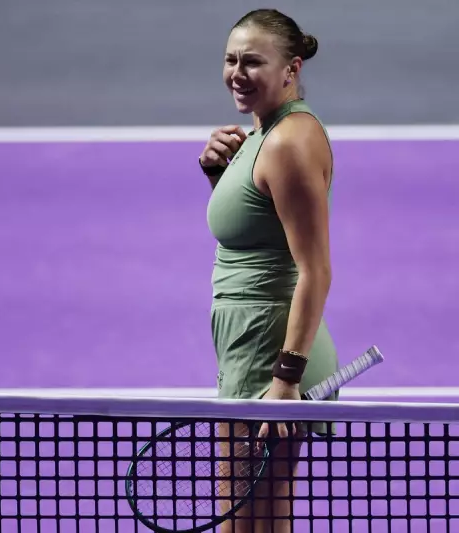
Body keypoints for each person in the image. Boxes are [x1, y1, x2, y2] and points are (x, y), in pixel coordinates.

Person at [200, 9, 337, 533]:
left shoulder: (287, 142)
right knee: (253, 518)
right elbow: (264, 231)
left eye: (252, 61)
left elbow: (315, 270)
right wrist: (221, 176)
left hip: (271, 349)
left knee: (244, 521)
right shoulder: (262, 133)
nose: (237, 72)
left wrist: (285, 378)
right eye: (231, 59)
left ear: (291, 68)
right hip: (251, 341)